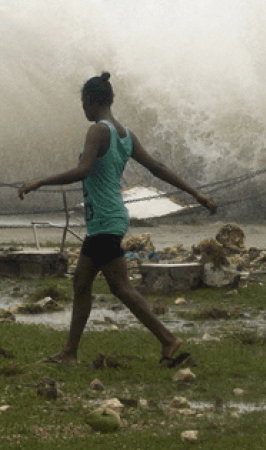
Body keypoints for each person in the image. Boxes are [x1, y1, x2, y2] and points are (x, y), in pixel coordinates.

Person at [18, 72, 217, 368]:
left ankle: (167, 339)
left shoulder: (98, 131)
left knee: (120, 286)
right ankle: (70, 352)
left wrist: (39, 182)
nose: (82, 109)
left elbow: (83, 170)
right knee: (83, 282)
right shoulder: (125, 134)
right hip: (110, 217)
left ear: (89, 101)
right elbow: (158, 168)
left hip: (104, 219)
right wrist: (196, 194)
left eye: (82, 103)